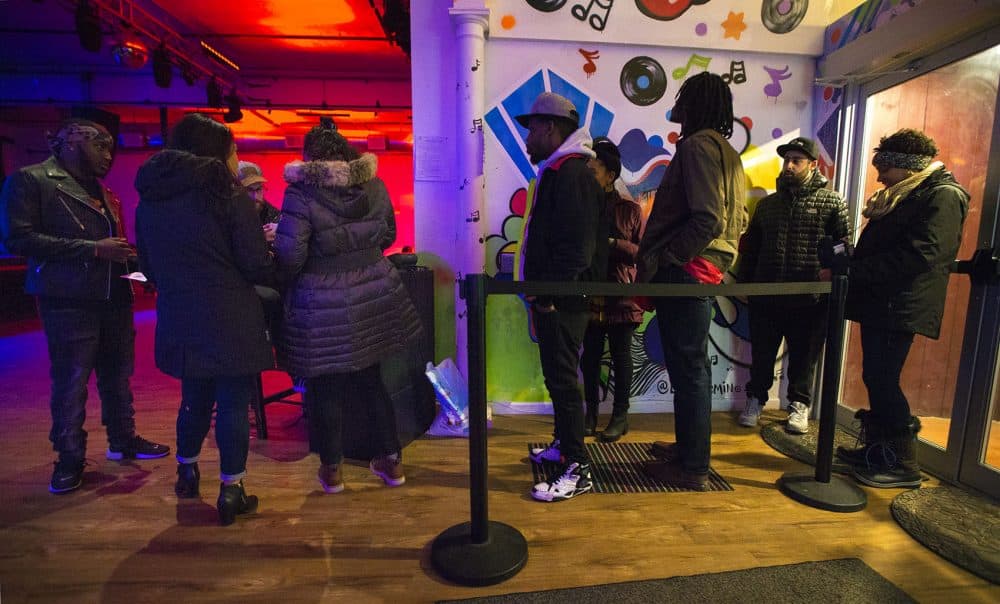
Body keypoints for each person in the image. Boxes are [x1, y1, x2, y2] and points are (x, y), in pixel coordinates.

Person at [0, 118, 169, 495]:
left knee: (117, 374)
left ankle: (123, 439)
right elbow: (17, 238)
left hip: (113, 295)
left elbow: (114, 246)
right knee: (72, 381)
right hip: (67, 299)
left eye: (110, 147)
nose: (108, 155)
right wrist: (93, 249)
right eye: (100, 146)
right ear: (71, 143)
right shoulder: (31, 179)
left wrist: (138, 270)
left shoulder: (104, 191)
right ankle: (69, 457)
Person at [134, 113, 276, 525]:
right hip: (230, 314)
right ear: (215, 154)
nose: (236, 160)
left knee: (194, 398)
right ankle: (232, 490)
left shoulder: (150, 201)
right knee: (233, 401)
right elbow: (254, 266)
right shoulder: (227, 198)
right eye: (232, 151)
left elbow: (150, 267)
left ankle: (187, 471)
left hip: (179, 313)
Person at [274, 118, 421, 494]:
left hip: (323, 303)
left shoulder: (301, 194)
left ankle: (333, 471)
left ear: (310, 158)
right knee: (373, 381)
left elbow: (289, 255)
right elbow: (388, 234)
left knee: (327, 388)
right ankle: (391, 462)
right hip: (373, 293)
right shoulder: (374, 184)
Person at [826, 128, 968, 489]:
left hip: (900, 305)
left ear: (907, 167)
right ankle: (878, 450)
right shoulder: (908, 195)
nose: (878, 176)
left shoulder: (942, 197)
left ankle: (902, 462)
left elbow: (920, 256)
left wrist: (854, 269)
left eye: (884, 168)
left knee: (883, 378)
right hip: (885, 302)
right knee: (876, 376)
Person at [638, 72, 748, 490]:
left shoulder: (698, 146)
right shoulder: (726, 150)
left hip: (687, 270)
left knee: (690, 369)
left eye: (684, 97)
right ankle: (688, 452)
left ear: (696, 104)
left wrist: (671, 257)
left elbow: (709, 217)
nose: (677, 105)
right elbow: (733, 219)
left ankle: (693, 467)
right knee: (691, 367)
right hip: (703, 268)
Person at [514, 92, 606, 502]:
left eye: (532, 129)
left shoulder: (572, 174)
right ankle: (565, 446)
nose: (528, 139)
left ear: (550, 128)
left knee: (566, 383)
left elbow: (577, 249)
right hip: (555, 300)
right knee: (558, 379)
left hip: (563, 302)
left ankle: (578, 467)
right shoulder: (562, 171)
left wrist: (549, 295)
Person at [735, 137, 849, 434]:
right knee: (761, 355)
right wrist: (745, 285)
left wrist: (833, 279)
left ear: (813, 164)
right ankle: (755, 400)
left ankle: (799, 405)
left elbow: (843, 246)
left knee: (804, 357)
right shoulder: (768, 205)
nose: (789, 166)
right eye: (786, 160)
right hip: (767, 295)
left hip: (810, 298)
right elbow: (751, 248)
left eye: (796, 160)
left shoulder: (832, 201)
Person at [579, 137, 644, 442]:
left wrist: (612, 244)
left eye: (596, 166)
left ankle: (620, 417)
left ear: (611, 173)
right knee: (588, 358)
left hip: (622, 296)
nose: (590, 169)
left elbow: (641, 253)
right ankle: (589, 415)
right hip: (588, 293)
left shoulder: (630, 210)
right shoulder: (583, 206)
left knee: (622, 359)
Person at [238, 160, 280, 245]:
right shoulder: (228, 217)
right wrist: (258, 239)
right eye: (249, 190)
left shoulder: (274, 215)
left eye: (259, 189)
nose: (255, 196)